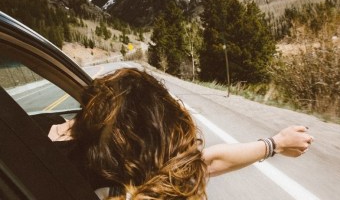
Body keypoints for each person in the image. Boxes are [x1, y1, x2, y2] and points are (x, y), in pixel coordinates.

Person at [45, 68, 313, 200]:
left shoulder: (37, 136)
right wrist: (275, 144)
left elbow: (204, 162)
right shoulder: (121, 180)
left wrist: (274, 144)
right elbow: (202, 164)